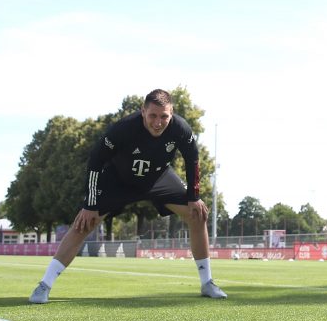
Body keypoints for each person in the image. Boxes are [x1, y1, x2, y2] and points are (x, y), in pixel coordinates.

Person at [29, 89, 227, 303]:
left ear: (172, 113)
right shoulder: (123, 128)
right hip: (119, 180)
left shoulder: (181, 129)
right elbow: (95, 161)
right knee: (83, 223)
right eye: (153, 115)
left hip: (158, 178)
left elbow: (193, 160)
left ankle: (207, 282)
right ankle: (44, 285)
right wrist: (90, 204)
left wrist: (194, 196)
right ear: (143, 111)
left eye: (164, 116)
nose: (158, 122)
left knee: (198, 214)